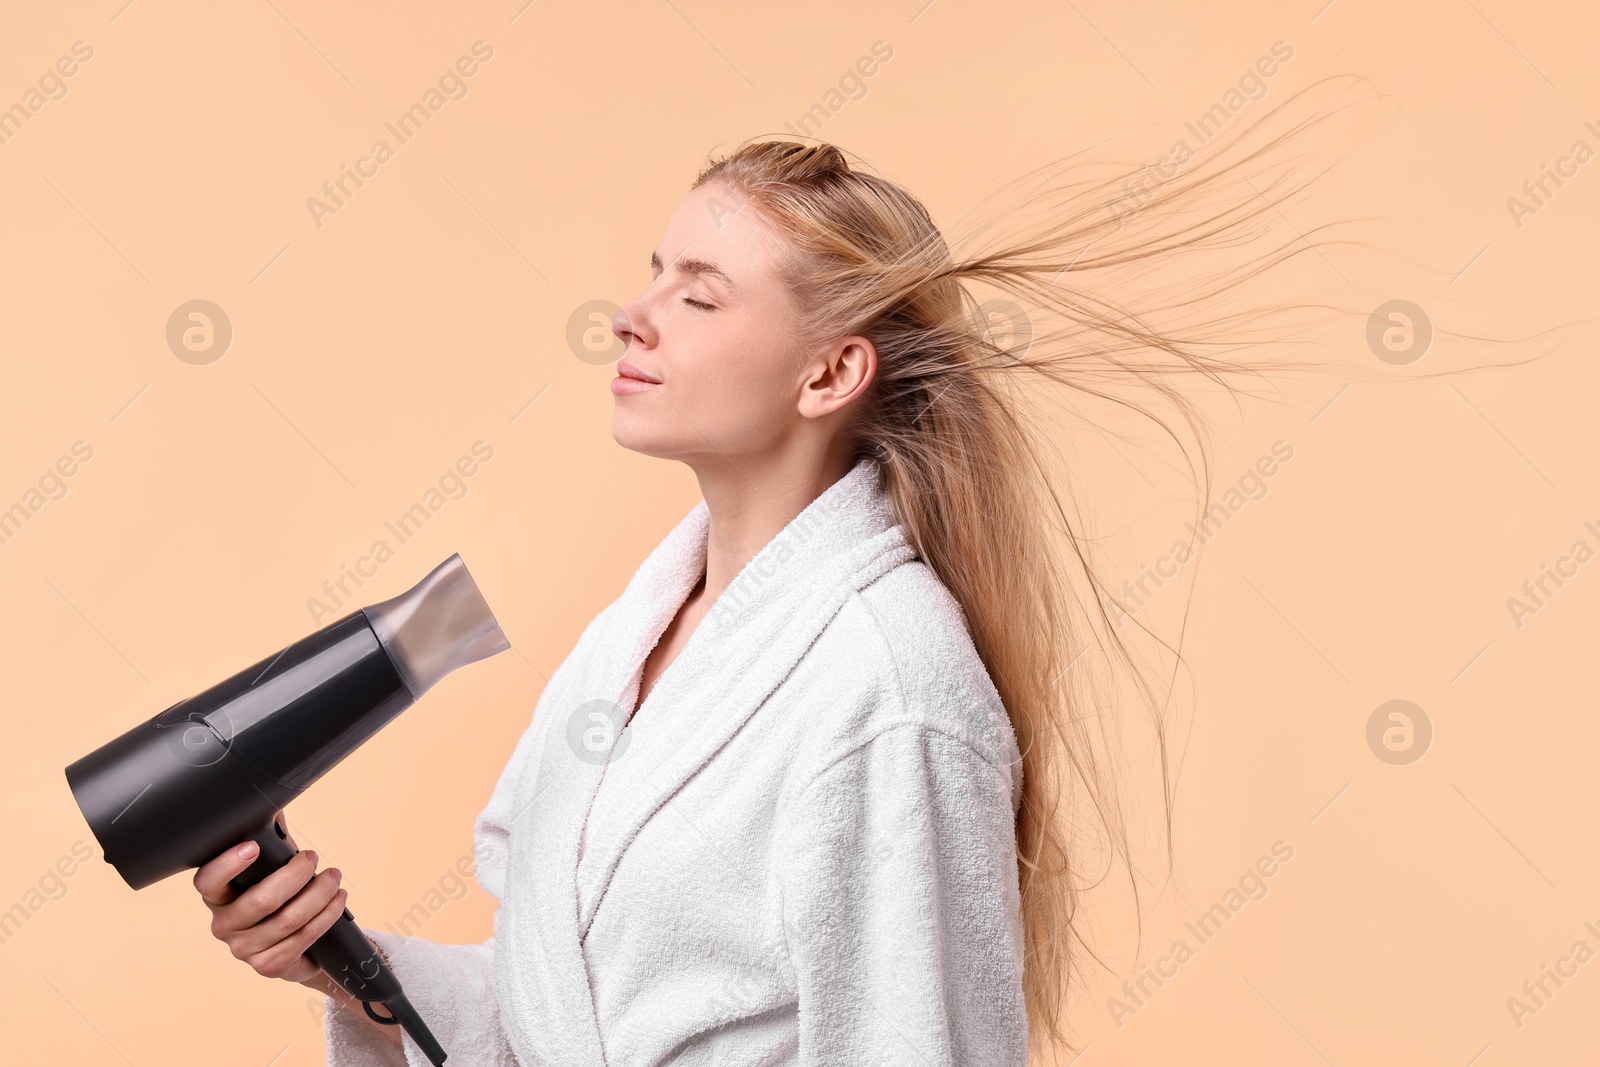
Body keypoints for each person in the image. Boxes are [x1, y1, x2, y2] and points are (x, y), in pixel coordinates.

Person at [192, 94, 1357, 1065]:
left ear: (828, 372)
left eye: (696, 294)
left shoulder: (889, 686)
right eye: (651, 275)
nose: (630, 317)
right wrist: (355, 969)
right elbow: (563, 1011)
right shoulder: (631, 636)